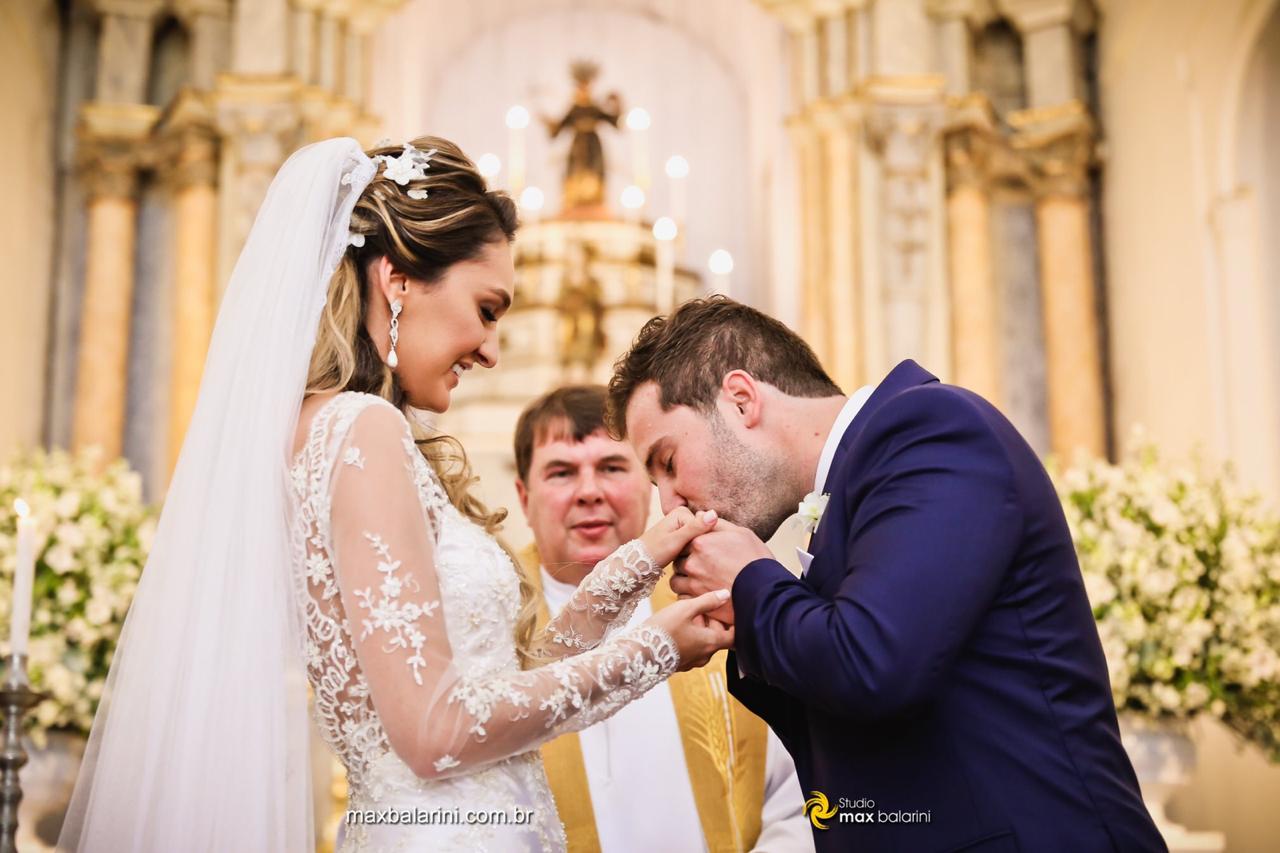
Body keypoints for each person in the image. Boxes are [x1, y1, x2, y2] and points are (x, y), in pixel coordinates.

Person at [59, 137, 733, 852]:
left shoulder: (344, 431)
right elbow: (434, 731)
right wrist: (652, 649)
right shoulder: (360, 428)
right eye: (487, 308)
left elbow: (503, 679)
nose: (490, 349)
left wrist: (638, 564)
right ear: (399, 280)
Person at [606, 297, 1167, 853]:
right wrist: (742, 612)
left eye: (669, 463)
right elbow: (850, 735)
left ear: (741, 398)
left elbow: (874, 663)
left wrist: (754, 581)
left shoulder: (932, 429)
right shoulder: (856, 487)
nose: (668, 505)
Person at [512, 385, 813, 852]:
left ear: (647, 485)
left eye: (611, 468)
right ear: (522, 494)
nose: (589, 492)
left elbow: (797, 794)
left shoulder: (716, 598)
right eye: (561, 472)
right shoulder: (498, 626)